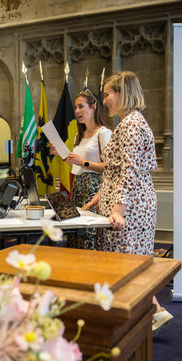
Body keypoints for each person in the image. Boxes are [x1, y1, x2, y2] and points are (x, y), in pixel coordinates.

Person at [82, 71, 173, 335]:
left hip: (131, 208)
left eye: (108, 94)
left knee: (127, 265)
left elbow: (130, 170)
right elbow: (114, 169)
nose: (105, 100)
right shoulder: (127, 123)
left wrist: (118, 210)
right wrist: (98, 198)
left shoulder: (132, 124)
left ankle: (146, 316)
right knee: (127, 263)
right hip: (125, 204)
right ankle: (150, 314)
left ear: (123, 93)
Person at [50, 89, 111, 249]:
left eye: (81, 106)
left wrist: (84, 162)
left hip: (95, 187)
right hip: (77, 186)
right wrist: (62, 155)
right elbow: (76, 165)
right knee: (74, 232)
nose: (77, 111)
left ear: (94, 107)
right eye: (76, 108)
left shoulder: (104, 134)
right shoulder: (80, 135)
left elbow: (110, 167)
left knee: (88, 234)